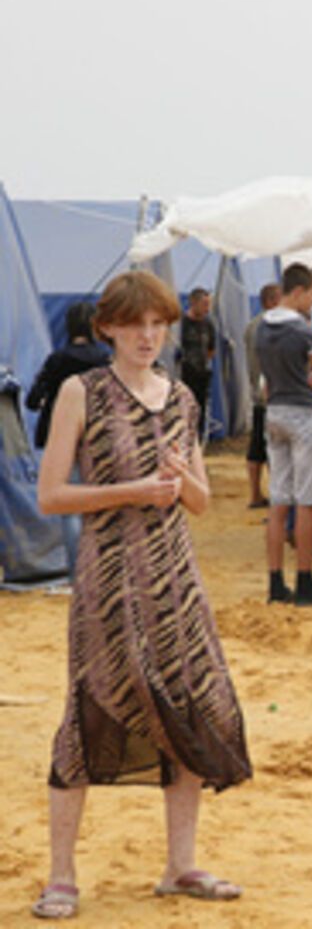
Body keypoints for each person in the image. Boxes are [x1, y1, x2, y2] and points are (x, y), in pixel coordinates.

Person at [32, 271, 251, 919]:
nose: (148, 336)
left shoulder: (181, 398)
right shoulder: (82, 391)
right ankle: (62, 873)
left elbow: (203, 502)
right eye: (134, 325)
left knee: (192, 705)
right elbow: (50, 496)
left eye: (158, 324)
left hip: (177, 579)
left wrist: (180, 478)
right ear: (108, 328)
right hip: (108, 577)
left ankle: (180, 864)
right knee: (90, 710)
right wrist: (132, 490)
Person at [256, 265, 312, 606]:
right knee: (307, 501)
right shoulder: (303, 331)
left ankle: (276, 582)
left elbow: (265, 382)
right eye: (311, 294)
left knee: (279, 500)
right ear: (297, 292)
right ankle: (306, 581)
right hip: (302, 413)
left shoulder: (263, 327)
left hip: (275, 411)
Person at [26, 302, 110, 450]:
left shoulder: (56, 360)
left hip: (57, 435)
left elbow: (32, 401)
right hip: (94, 437)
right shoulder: (104, 361)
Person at [242, 283, 282, 509]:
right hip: (273, 396)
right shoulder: (273, 326)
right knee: (274, 449)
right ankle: (277, 496)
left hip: (258, 397)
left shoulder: (251, 326)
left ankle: (255, 494)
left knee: (256, 448)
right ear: (271, 301)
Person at [178, 288, 216, 442]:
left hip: (202, 374)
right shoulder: (182, 324)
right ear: (193, 303)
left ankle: (197, 439)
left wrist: (204, 363)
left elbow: (211, 349)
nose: (207, 309)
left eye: (209, 305)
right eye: (204, 304)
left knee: (200, 408)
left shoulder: (208, 324)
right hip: (185, 374)